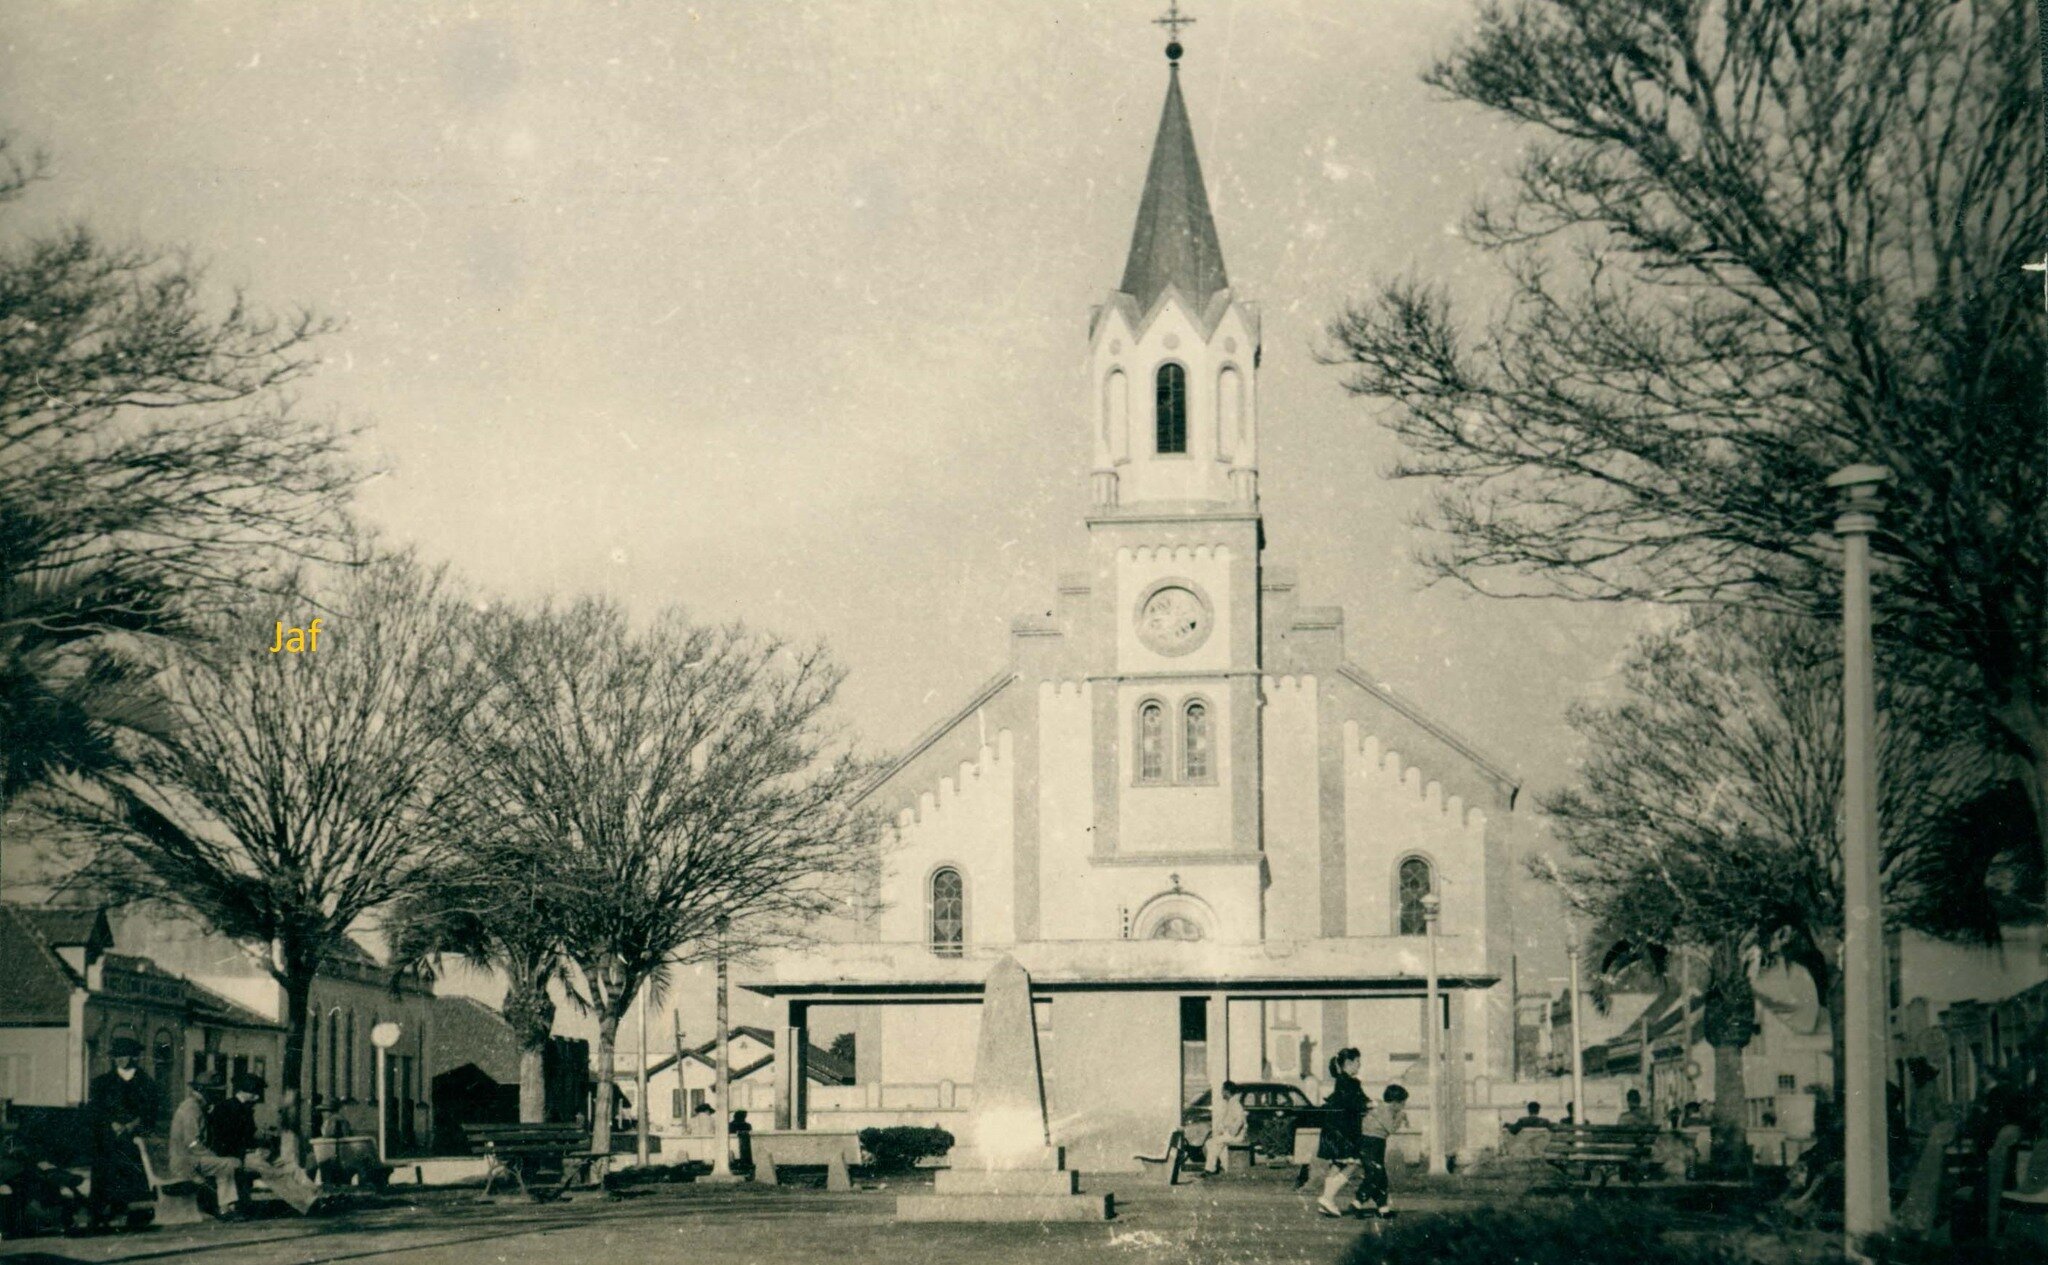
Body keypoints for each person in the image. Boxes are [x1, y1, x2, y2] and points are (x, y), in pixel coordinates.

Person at [206, 1073, 323, 1217]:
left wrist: (262, 1147)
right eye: (254, 1093)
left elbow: (249, 1135)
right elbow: (222, 1142)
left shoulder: (246, 1109)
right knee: (272, 1172)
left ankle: (315, 1194)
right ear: (242, 1091)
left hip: (249, 1153)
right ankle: (308, 1203)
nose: (257, 1097)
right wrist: (250, 1151)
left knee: (287, 1164)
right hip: (234, 1156)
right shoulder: (224, 1109)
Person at [86, 1036, 159, 1229]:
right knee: (104, 1175)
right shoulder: (101, 1083)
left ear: (134, 1056)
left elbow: (151, 1111)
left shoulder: (146, 1083)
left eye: (125, 1055)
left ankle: (133, 1215)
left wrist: (133, 1125)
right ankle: (99, 1215)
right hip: (107, 1139)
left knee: (131, 1175)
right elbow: (94, 1110)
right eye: (117, 1056)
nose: (121, 1059)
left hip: (133, 1139)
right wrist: (111, 1123)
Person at [169, 1071, 242, 1217]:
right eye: (216, 1092)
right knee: (228, 1164)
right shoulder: (191, 1109)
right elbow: (192, 1143)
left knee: (227, 1163)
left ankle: (227, 1206)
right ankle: (225, 1208)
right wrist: (215, 1158)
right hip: (185, 1162)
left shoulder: (195, 1106)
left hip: (189, 1160)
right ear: (206, 1092)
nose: (218, 1096)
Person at [1315, 1048, 1370, 1218]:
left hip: (1333, 1130)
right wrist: (1371, 1105)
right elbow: (1354, 1103)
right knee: (1354, 1163)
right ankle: (1327, 1197)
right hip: (1344, 1131)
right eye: (1357, 1062)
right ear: (1349, 1063)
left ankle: (1326, 1202)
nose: (1359, 1066)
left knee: (1337, 1164)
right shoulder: (1351, 1082)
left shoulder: (1341, 1081)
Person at [1354, 1084, 1410, 1219]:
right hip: (1372, 1142)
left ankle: (1383, 1208)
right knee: (1375, 1174)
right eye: (1403, 1103)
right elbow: (1391, 1129)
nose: (1403, 1106)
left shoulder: (1381, 1108)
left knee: (1380, 1176)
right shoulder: (1384, 1110)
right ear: (1395, 1102)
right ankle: (1357, 1202)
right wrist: (1401, 1117)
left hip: (1374, 1142)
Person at [1205, 1082, 1249, 1175]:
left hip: (1237, 1135)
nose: (1221, 1092)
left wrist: (1231, 1132)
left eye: (1223, 1090)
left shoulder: (1235, 1104)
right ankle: (1226, 1167)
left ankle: (1210, 1169)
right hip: (1232, 1134)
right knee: (1211, 1143)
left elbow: (1240, 1121)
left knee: (1214, 1142)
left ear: (1227, 1091)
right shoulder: (1231, 1102)